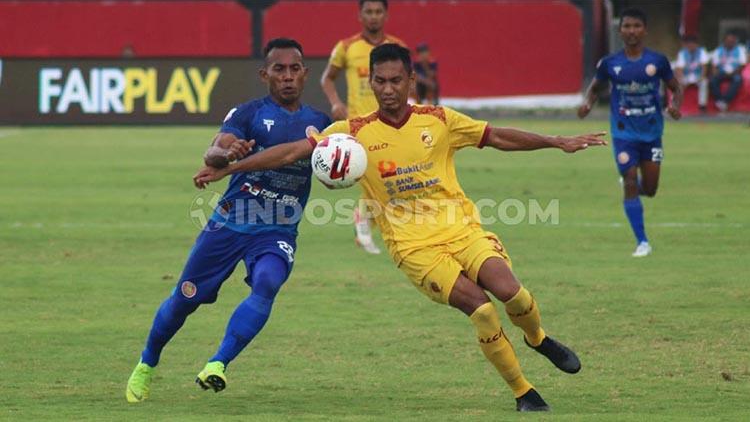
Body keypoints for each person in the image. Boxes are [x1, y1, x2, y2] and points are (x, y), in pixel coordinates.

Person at [195, 43, 607, 412]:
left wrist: (557, 141)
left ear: (410, 80)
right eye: (380, 81)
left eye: (396, 80)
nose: (388, 89)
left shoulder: (439, 120)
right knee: (481, 310)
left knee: (512, 293)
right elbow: (289, 153)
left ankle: (537, 338)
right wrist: (231, 168)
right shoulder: (352, 134)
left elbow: (497, 136)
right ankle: (523, 393)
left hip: (462, 230)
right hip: (415, 250)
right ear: (370, 82)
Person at [125, 38, 332, 403]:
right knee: (184, 300)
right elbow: (214, 149)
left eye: (294, 69)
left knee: (268, 282)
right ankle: (147, 363)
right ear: (264, 74)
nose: (287, 77)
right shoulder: (248, 113)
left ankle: (217, 364)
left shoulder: (320, 124)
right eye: (279, 70)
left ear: (305, 73)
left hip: (277, 229)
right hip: (230, 224)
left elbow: (317, 164)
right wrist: (225, 153)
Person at [578, 8, 682, 258]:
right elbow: (594, 88)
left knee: (651, 187)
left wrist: (674, 105)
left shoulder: (657, 62)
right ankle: (642, 242)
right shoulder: (610, 64)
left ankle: (631, 182)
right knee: (632, 182)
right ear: (620, 30)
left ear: (644, 30)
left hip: (652, 133)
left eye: (636, 26)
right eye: (627, 26)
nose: (631, 31)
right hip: (624, 133)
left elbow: (675, 88)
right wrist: (587, 104)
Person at [321, 0, 406, 255]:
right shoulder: (347, 47)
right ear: (360, 15)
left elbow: (407, 82)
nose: (373, 17)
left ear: (386, 15)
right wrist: (336, 103)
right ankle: (368, 224)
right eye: (368, 11)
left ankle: (366, 220)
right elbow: (327, 78)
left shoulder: (398, 48)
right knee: (379, 174)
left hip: (392, 122)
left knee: (390, 175)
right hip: (362, 125)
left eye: (378, 11)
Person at [709, 32, 747, 112]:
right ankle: (720, 100)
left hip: (735, 72)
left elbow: (742, 65)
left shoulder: (739, 50)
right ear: (724, 41)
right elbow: (714, 65)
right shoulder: (718, 50)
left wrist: (734, 72)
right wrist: (715, 73)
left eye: (732, 41)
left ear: (734, 41)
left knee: (738, 80)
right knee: (712, 80)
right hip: (721, 72)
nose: (730, 43)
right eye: (728, 41)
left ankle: (725, 101)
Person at [674, 35, 710, 112]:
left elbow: (704, 66)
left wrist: (702, 77)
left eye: (693, 44)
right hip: (686, 76)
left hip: (698, 76)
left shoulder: (702, 52)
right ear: (686, 45)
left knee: (704, 82)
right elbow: (679, 69)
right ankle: (676, 105)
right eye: (689, 44)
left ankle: (702, 105)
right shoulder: (682, 53)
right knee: (678, 83)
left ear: (697, 44)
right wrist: (681, 79)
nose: (691, 45)